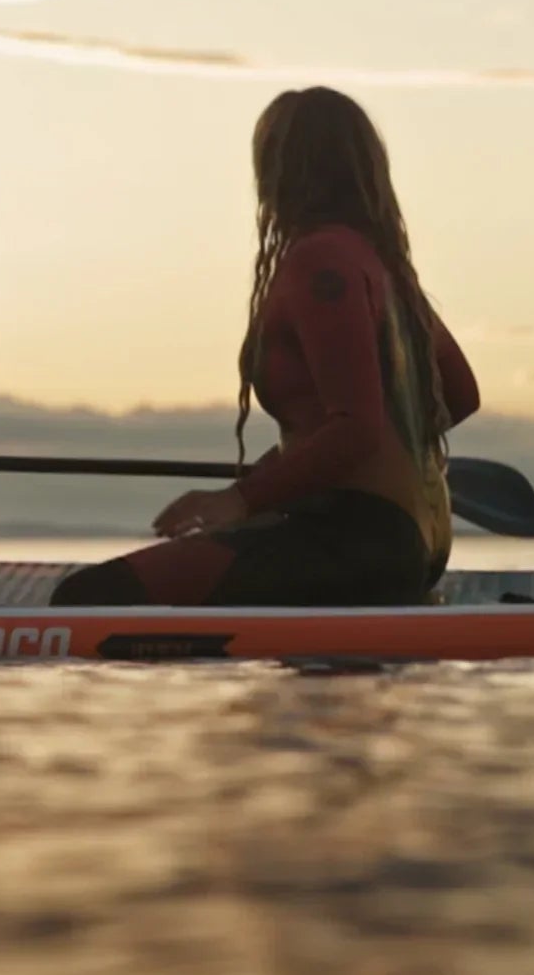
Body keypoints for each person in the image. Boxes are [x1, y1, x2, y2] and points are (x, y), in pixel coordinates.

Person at [54, 86, 478, 609]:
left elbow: (358, 427)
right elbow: (459, 395)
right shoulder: (384, 269)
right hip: (416, 541)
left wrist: (241, 498)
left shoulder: (321, 263)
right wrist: (301, 465)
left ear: (283, 168)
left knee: (88, 598)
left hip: (353, 539)